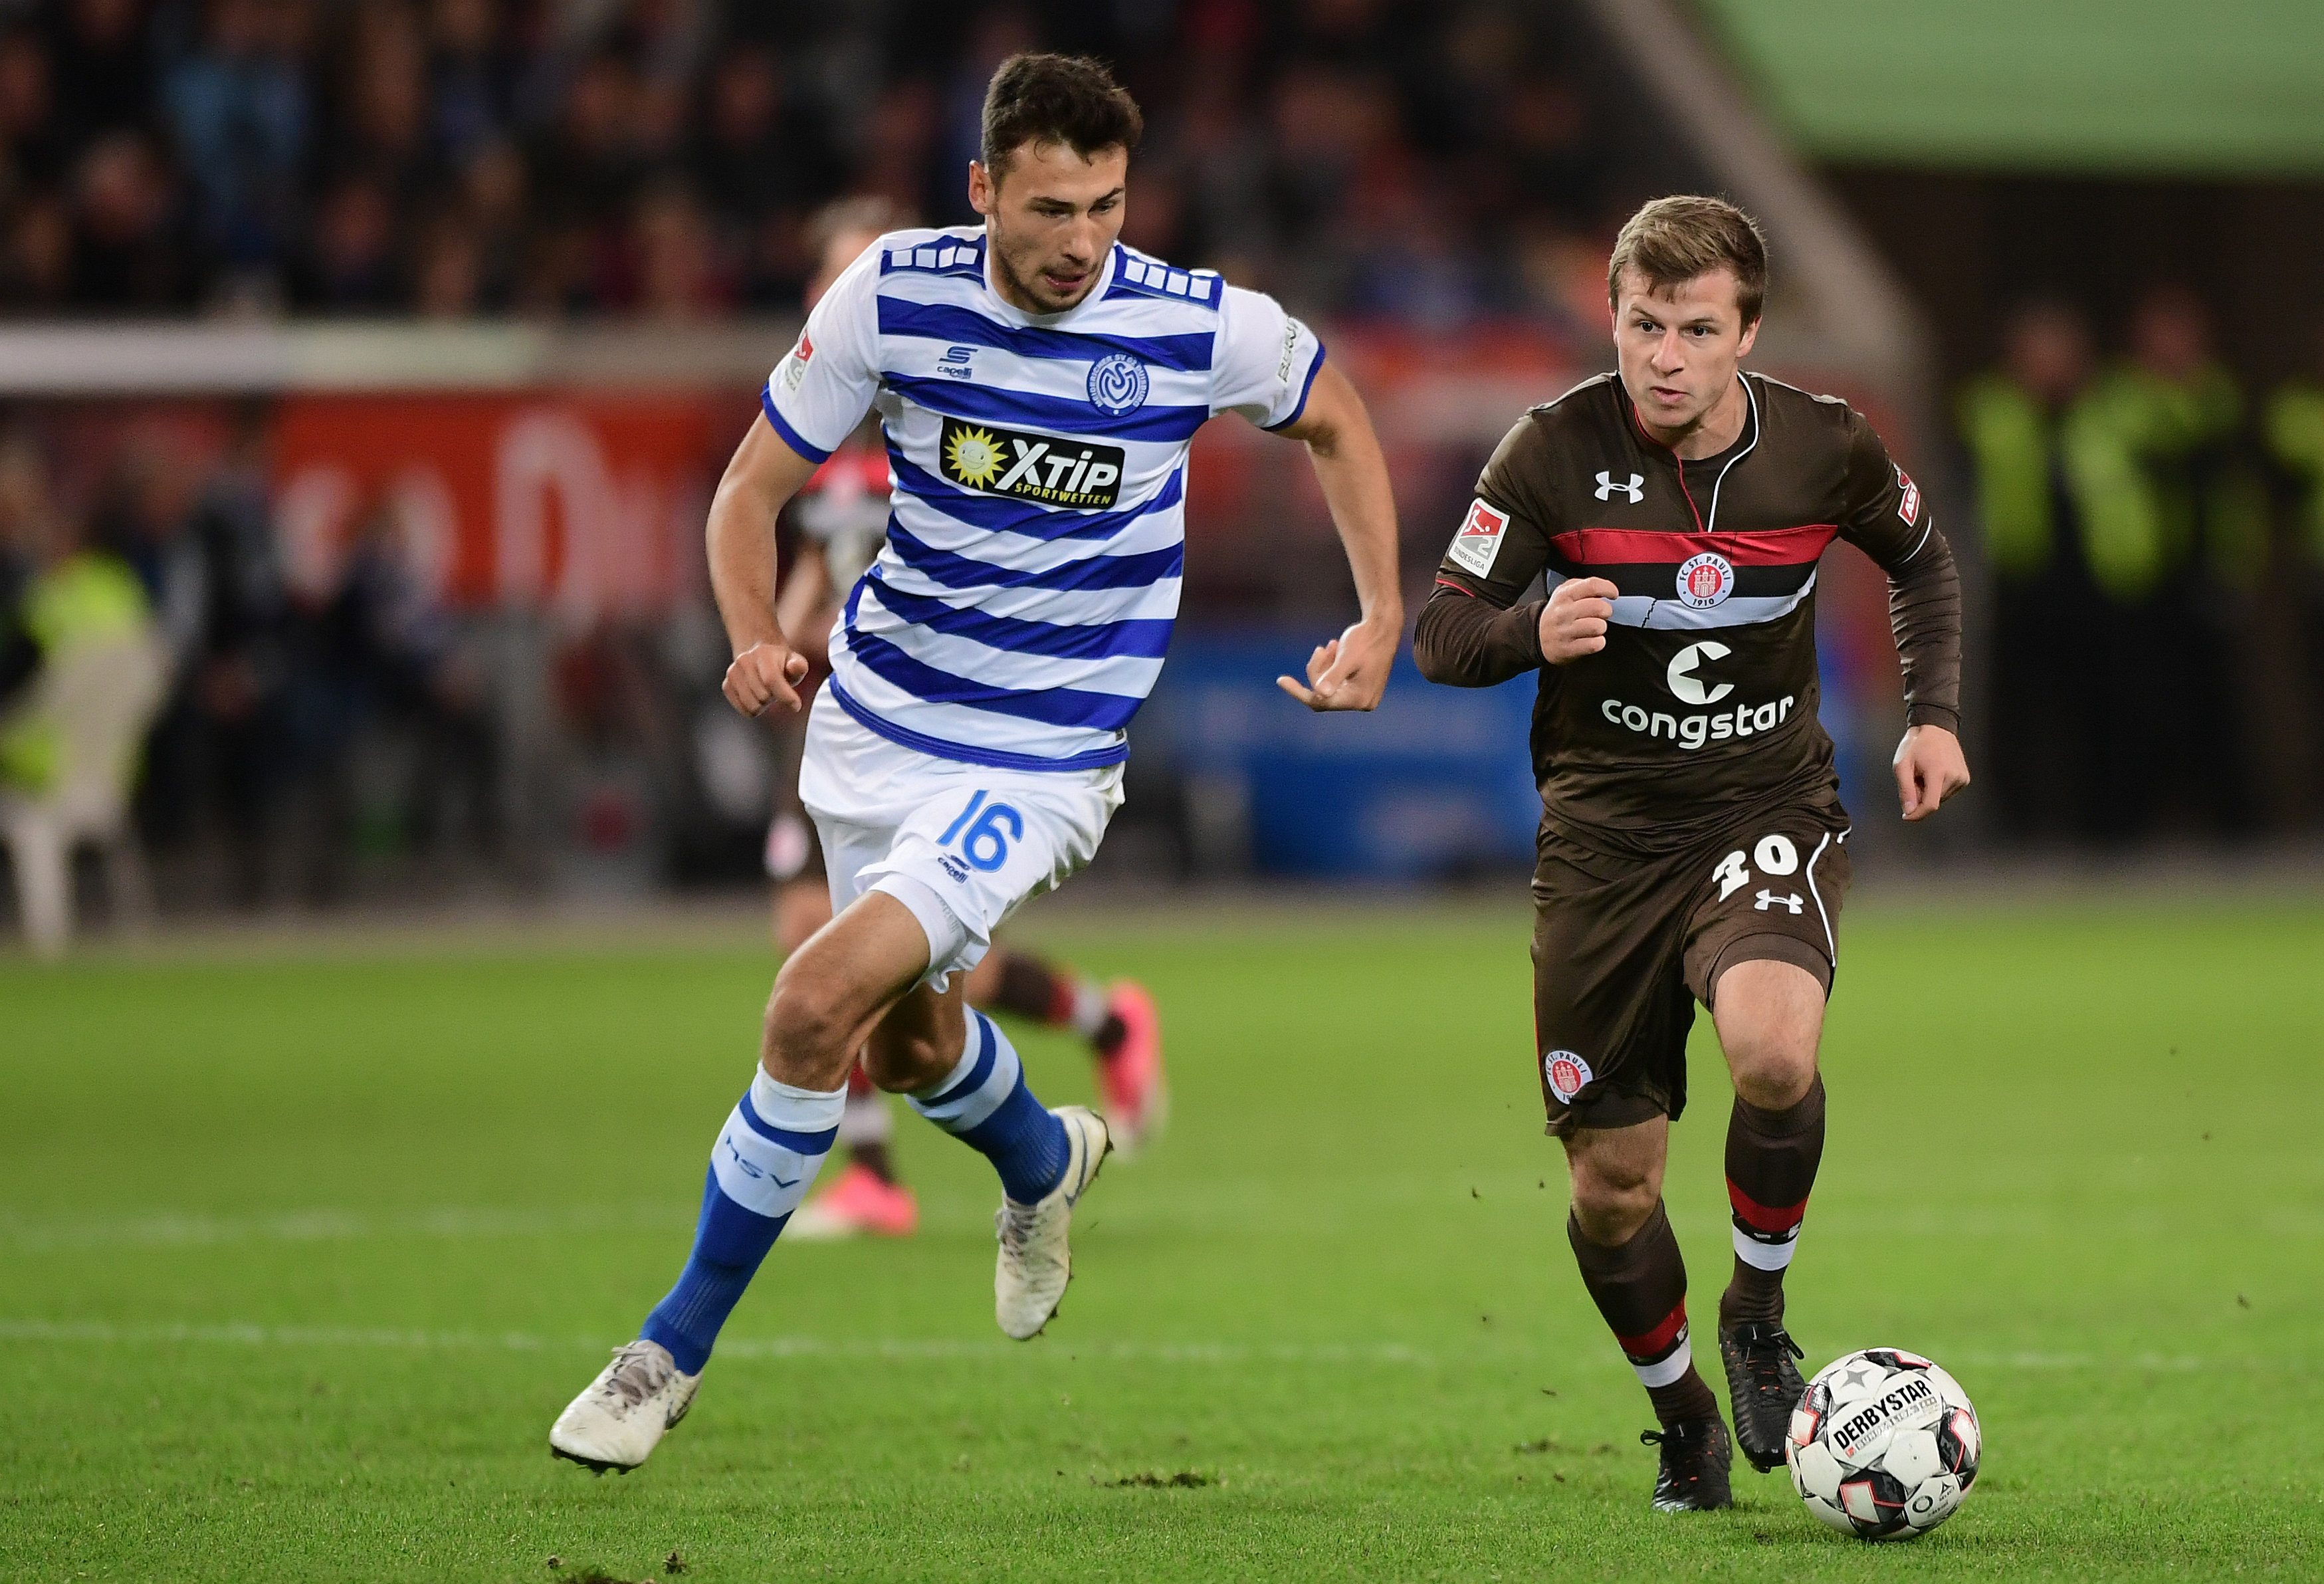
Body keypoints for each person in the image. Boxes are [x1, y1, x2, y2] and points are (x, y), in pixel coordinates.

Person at [548, 51, 1400, 1473]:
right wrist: (754, 632)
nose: (1082, 241)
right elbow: (749, 490)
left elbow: (1334, 414)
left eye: (1107, 208)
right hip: (874, 729)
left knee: (811, 1002)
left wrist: (1379, 614)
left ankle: (663, 1351)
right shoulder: (891, 292)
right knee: (911, 1038)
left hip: (1046, 757)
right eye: (1052, 208)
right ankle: (1039, 1159)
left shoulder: (1190, 323)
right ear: (982, 190)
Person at [1414, 195, 1966, 1512]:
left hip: (1757, 810)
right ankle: (1681, 1422)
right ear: (1610, 316)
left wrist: (1930, 717)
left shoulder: (1821, 445)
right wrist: (1525, 634)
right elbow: (1442, 633)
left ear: (1746, 334)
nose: (1660, 355)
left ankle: (1756, 1311)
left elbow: (1921, 560)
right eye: (1639, 324)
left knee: (1773, 1048)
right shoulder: (1547, 453)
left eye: (1693, 329)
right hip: (1602, 845)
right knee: (1612, 1191)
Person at [760, 198, 1167, 1242]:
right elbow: (816, 575)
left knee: (900, 967)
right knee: (836, 949)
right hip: (837, 730)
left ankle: (1082, 1038)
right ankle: (889, 1163)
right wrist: (776, 639)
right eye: (835, 275)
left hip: (953, 735)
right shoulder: (822, 460)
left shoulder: (950, 424)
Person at [1956, 300, 2100, 842]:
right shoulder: (1989, 408)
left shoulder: (2103, 409)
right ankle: (2016, 822)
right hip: (2016, 577)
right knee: (2016, 708)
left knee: (2093, 704)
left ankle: (2098, 821)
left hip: (2097, 579)